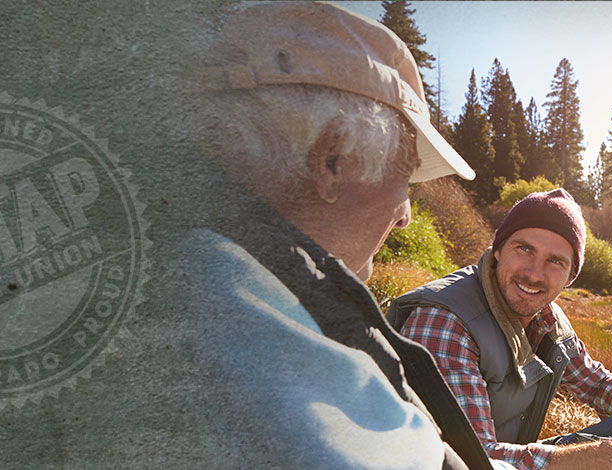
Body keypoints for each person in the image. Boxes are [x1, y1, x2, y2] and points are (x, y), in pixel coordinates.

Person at [160, 2, 510, 468]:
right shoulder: (245, 322)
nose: (405, 215)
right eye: (405, 177)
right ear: (333, 159)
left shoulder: (235, 276)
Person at [389, 189, 612, 470]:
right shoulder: (445, 321)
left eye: (555, 261)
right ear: (498, 249)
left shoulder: (547, 318)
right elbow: (472, 458)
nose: (534, 274)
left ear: (570, 277)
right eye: (524, 249)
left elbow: (596, 384)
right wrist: (603, 457)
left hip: (504, 460)